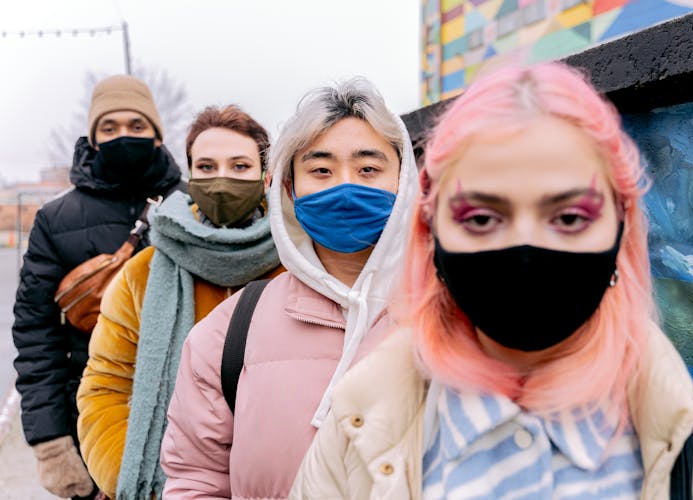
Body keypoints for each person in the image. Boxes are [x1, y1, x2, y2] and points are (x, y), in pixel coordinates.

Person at [289, 62, 693, 499]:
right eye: (482, 218)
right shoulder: (355, 434)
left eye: (569, 217)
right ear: (431, 234)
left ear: (621, 229)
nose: (526, 248)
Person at [159, 77, 418, 499]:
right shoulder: (228, 333)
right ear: (288, 187)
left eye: (369, 168)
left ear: (404, 181)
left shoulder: (457, 317)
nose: (345, 187)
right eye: (321, 170)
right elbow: (196, 481)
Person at [75, 104, 283, 499]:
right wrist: (133, 480)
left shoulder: (299, 267)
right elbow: (106, 386)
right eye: (206, 167)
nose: (221, 180)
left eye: (239, 166)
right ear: (190, 176)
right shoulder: (143, 273)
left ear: (266, 176)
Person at [12, 74, 183, 500]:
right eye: (109, 128)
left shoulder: (190, 204)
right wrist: (51, 444)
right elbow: (36, 335)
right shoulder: (56, 220)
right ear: (92, 138)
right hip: (91, 422)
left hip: (185, 420)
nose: (124, 136)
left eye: (137, 126)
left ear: (157, 137)